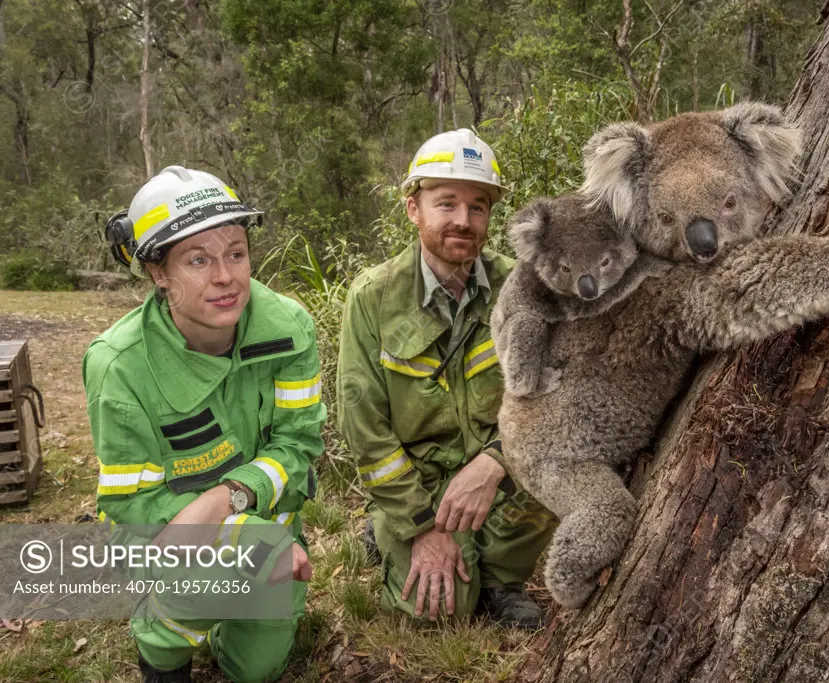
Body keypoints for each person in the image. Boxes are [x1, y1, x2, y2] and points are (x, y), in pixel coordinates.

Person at [84, 166, 326, 682]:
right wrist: (243, 536)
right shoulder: (120, 366)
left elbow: (299, 442)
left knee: (256, 669)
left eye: (236, 252)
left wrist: (229, 498)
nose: (226, 277)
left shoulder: (289, 329)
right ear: (157, 272)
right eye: (198, 259)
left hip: (269, 528)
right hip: (169, 537)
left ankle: (237, 614)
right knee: (190, 596)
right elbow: (133, 506)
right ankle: (162, 644)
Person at [337, 129, 555, 628]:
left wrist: (494, 462)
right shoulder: (373, 298)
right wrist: (418, 528)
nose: (463, 220)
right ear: (413, 208)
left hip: (498, 469)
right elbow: (364, 430)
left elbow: (551, 396)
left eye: (478, 206)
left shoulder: (521, 286)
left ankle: (502, 577)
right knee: (439, 611)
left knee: (562, 459)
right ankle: (387, 532)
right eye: (446, 203)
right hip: (419, 481)